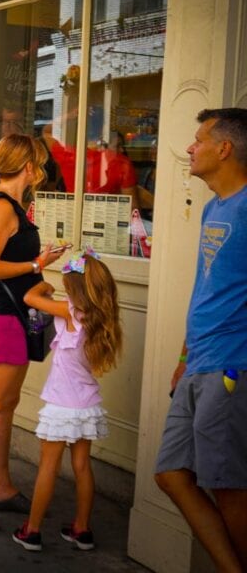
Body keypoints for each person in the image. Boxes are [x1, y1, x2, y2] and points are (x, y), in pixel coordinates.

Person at [0, 133, 67, 531]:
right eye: (40, 163)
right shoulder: (3, 206)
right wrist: (35, 266)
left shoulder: (4, 205)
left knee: (4, 404)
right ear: (29, 166)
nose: (42, 171)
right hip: (2, 317)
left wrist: (31, 269)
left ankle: (0, 487)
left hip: (10, 314)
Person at [155, 108, 247, 571]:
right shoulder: (215, 207)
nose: (190, 148)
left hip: (233, 366)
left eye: (199, 140)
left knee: (228, 483)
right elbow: (205, 285)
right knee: (171, 473)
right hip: (199, 360)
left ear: (224, 148)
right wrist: (184, 354)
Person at [11, 250, 123, 552]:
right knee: (82, 467)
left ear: (74, 289)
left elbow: (30, 298)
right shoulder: (101, 317)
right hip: (87, 404)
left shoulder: (70, 311)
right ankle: (81, 529)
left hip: (62, 406)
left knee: (48, 467)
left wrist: (45, 286)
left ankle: (32, 530)